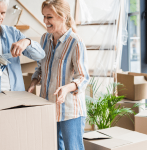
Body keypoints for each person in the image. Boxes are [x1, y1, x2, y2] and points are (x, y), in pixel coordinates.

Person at [28, 0, 89, 149]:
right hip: (48, 107)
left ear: (63, 17)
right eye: (44, 16)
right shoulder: (44, 39)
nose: (45, 21)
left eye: (49, 17)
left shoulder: (75, 42)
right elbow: (40, 66)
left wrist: (66, 88)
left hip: (70, 111)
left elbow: (83, 77)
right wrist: (33, 82)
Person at [0, 0, 45, 91]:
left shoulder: (13, 33)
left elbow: (40, 55)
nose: (0, 17)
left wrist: (27, 42)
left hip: (16, 96)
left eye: (2, 13)